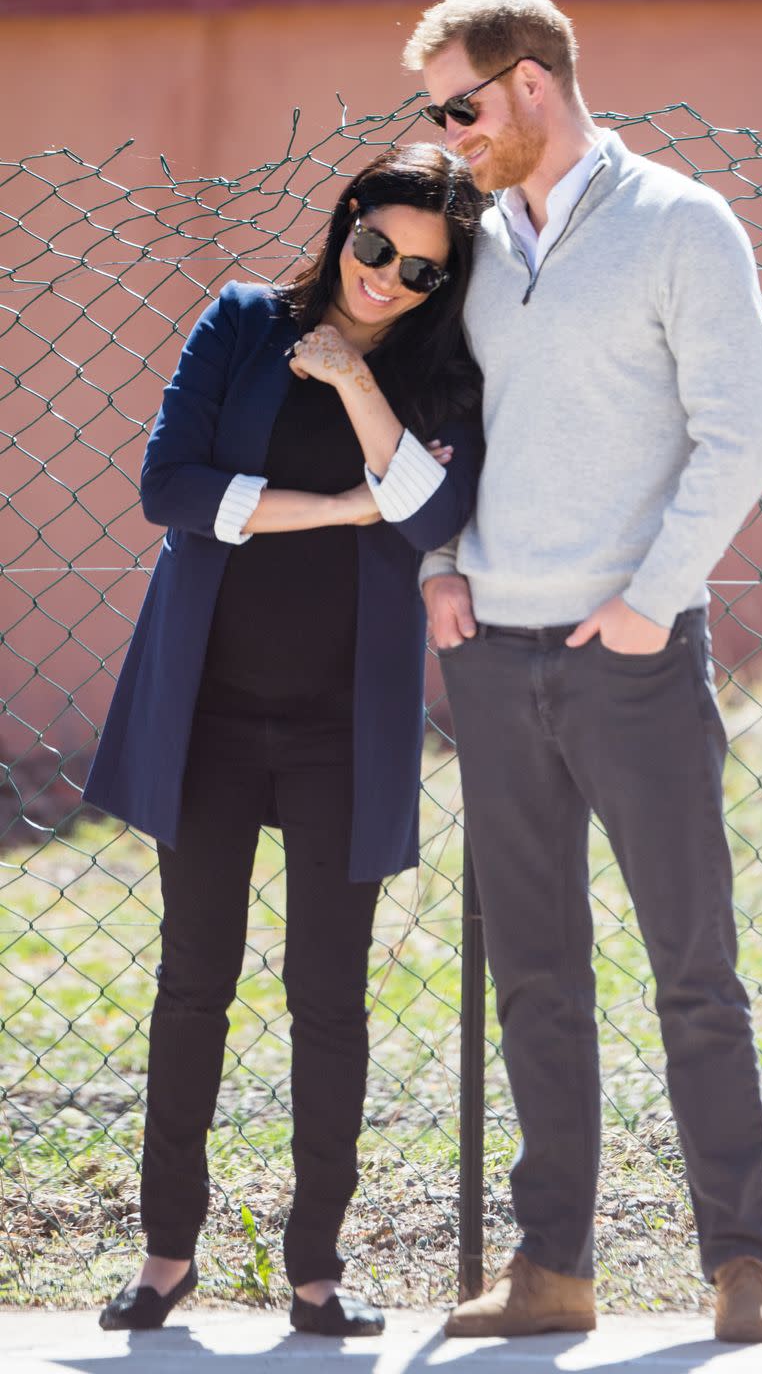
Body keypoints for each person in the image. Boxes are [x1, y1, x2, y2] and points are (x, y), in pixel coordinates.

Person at [403, 0, 762, 1344]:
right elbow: (441, 425)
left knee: (694, 963)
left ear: (530, 83)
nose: (446, 136)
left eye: (459, 107)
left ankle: (742, 1262)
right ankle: (553, 1266)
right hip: (495, 662)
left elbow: (739, 436)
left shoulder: (684, 224)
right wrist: (437, 565)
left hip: (631, 655)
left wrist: (649, 601)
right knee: (536, 973)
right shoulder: (465, 243)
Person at [83, 144, 485, 1337]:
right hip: (206, 707)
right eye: (376, 248)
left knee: (328, 995)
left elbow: (438, 512)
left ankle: (315, 1266)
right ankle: (165, 1253)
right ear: (344, 222)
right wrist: (345, 504)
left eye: (420, 271)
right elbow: (169, 488)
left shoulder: (431, 371)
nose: (388, 279)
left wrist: (355, 384)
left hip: (338, 723)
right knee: (191, 979)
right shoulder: (242, 323)